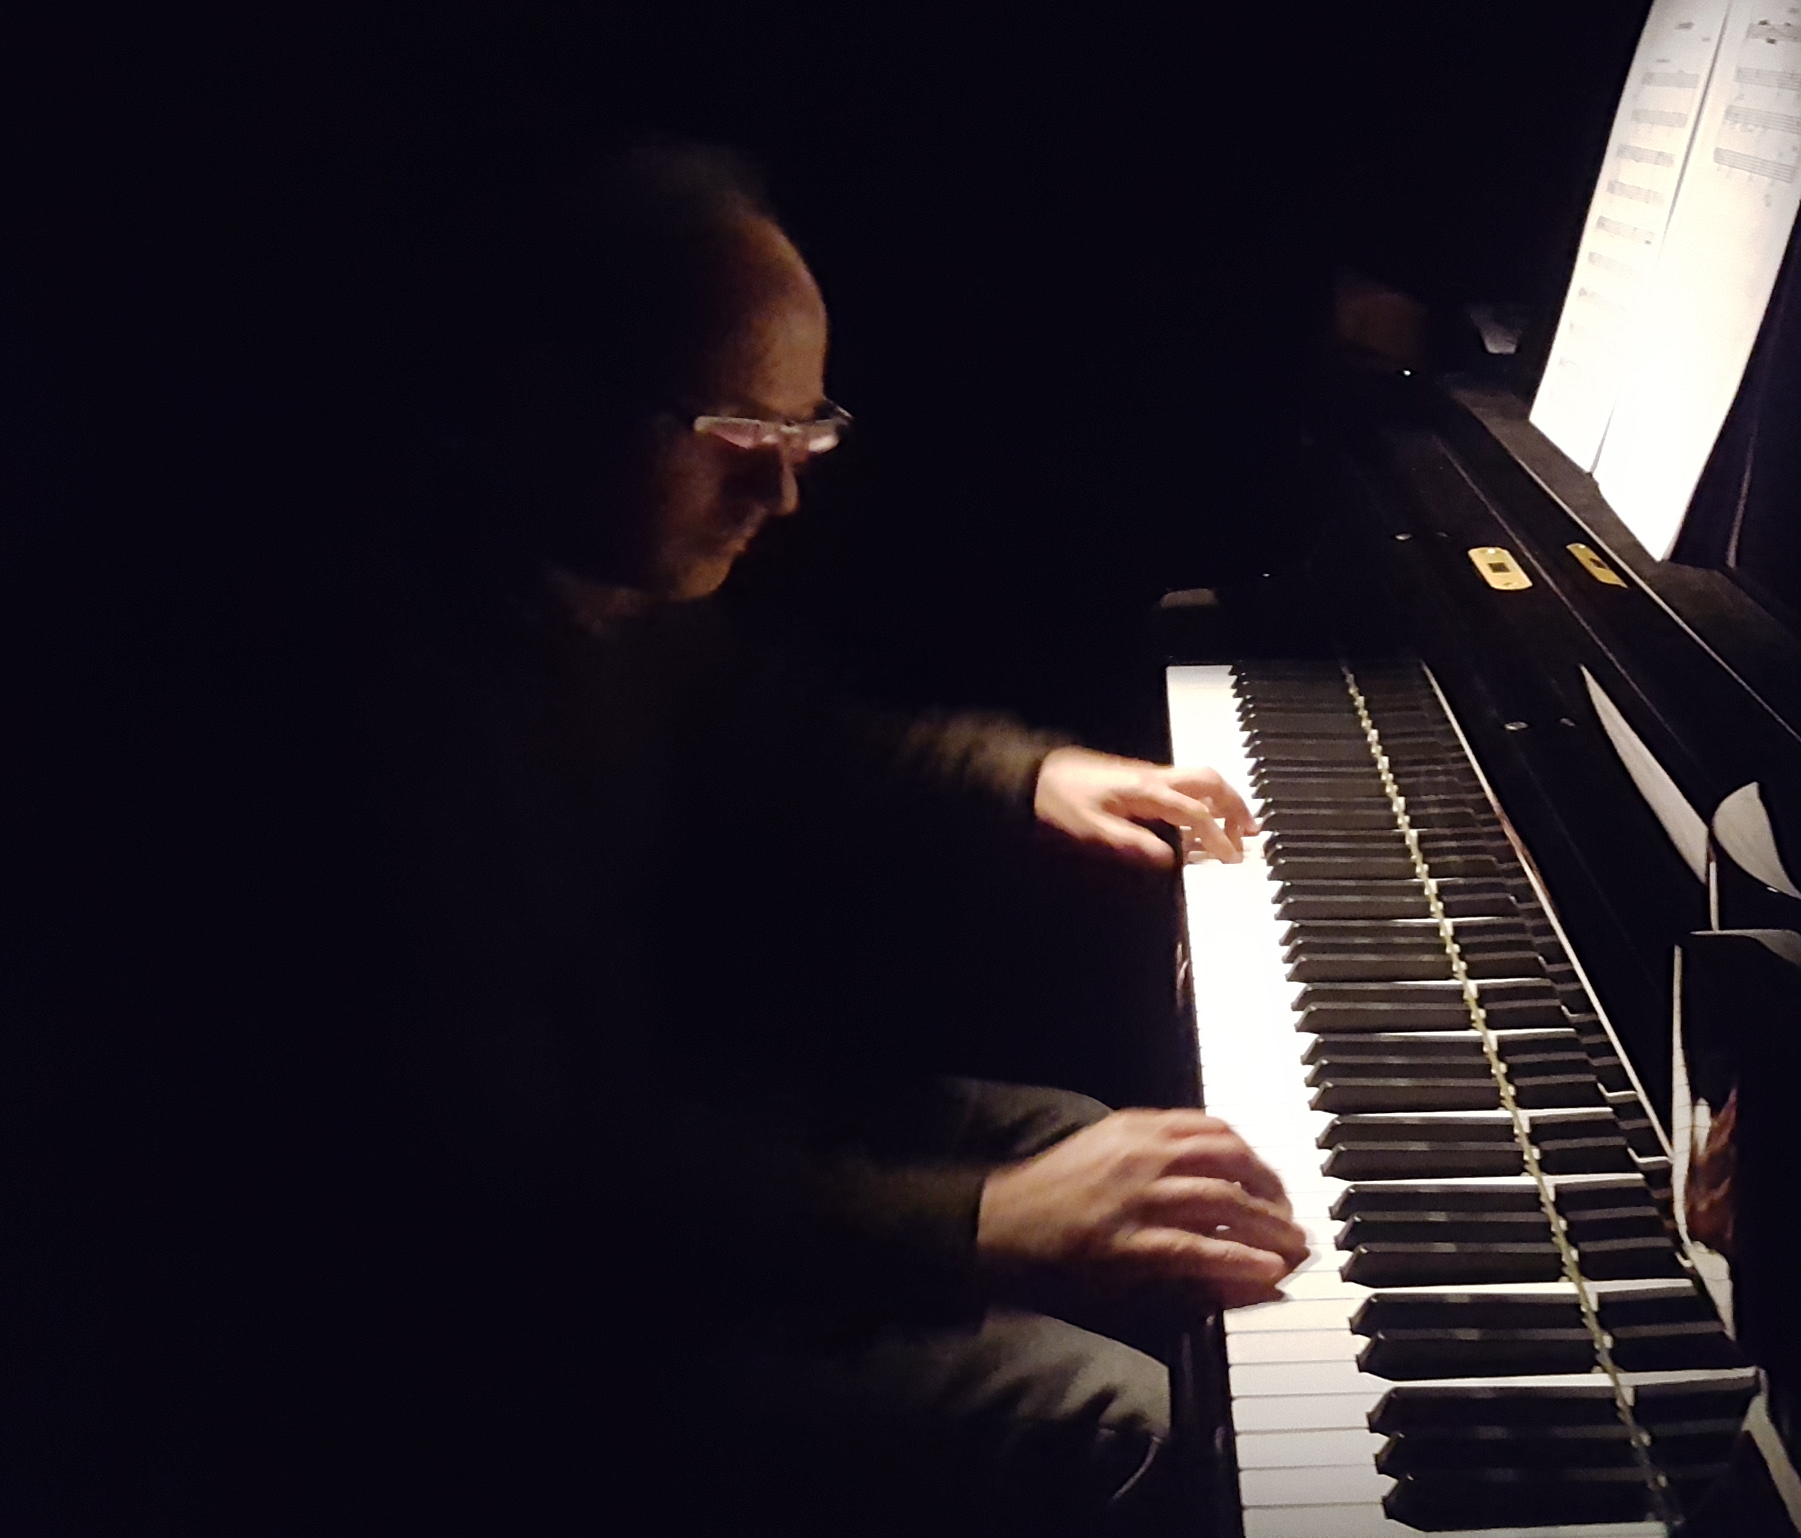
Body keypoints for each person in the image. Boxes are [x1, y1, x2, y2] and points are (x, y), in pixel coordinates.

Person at [287, 138, 1302, 1533]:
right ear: (546, 397)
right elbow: (523, 1194)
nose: (782, 496)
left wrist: (1031, 775)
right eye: (737, 440)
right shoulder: (368, 717)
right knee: (1134, 1427)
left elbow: (785, 728)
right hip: (512, 1333)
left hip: (670, 1139)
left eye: (806, 435)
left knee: (1157, 1164)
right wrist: (982, 1224)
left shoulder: (602, 591)